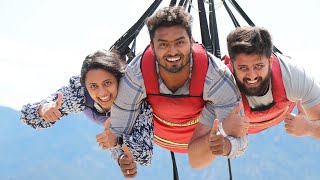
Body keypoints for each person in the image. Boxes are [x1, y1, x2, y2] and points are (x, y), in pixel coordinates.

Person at [107, 6, 248, 169]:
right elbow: (118, 127)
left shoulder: (216, 77)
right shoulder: (136, 75)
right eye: (163, 45)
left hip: (201, 137)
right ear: (152, 47)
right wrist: (122, 157)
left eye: (179, 42)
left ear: (192, 42)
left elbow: (240, 138)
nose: (172, 51)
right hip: (158, 135)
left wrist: (225, 146)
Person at [20, 49, 154, 178]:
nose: (102, 93)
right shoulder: (80, 93)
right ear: (85, 85)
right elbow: (26, 115)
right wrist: (42, 110)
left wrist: (118, 142)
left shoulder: (135, 98)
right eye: (93, 86)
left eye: (107, 83)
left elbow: (144, 153)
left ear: (119, 80)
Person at [222, 26, 320, 138]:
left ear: (270, 61)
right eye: (243, 68)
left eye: (258, 66)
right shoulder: (220, 84)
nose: (252, 76)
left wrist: (309, 128)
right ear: (232, 65)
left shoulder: (293, 76)